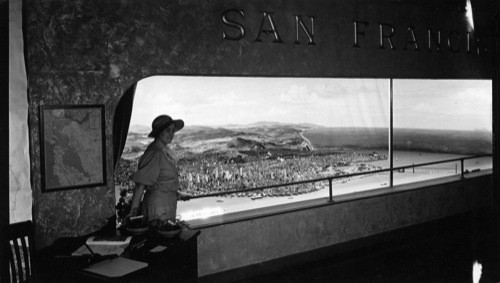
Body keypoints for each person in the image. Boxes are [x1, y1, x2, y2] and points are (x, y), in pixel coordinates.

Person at [126, 115, 191, 225]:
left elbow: (162, 180)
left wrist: (177, 193)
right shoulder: (155, 153)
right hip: (157, 208)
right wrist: (133, 213)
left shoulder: (163, 151)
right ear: (159, 132)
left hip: (167, 205)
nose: (171, 134)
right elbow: (141, 185)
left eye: (173, 130)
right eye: (167, 130)